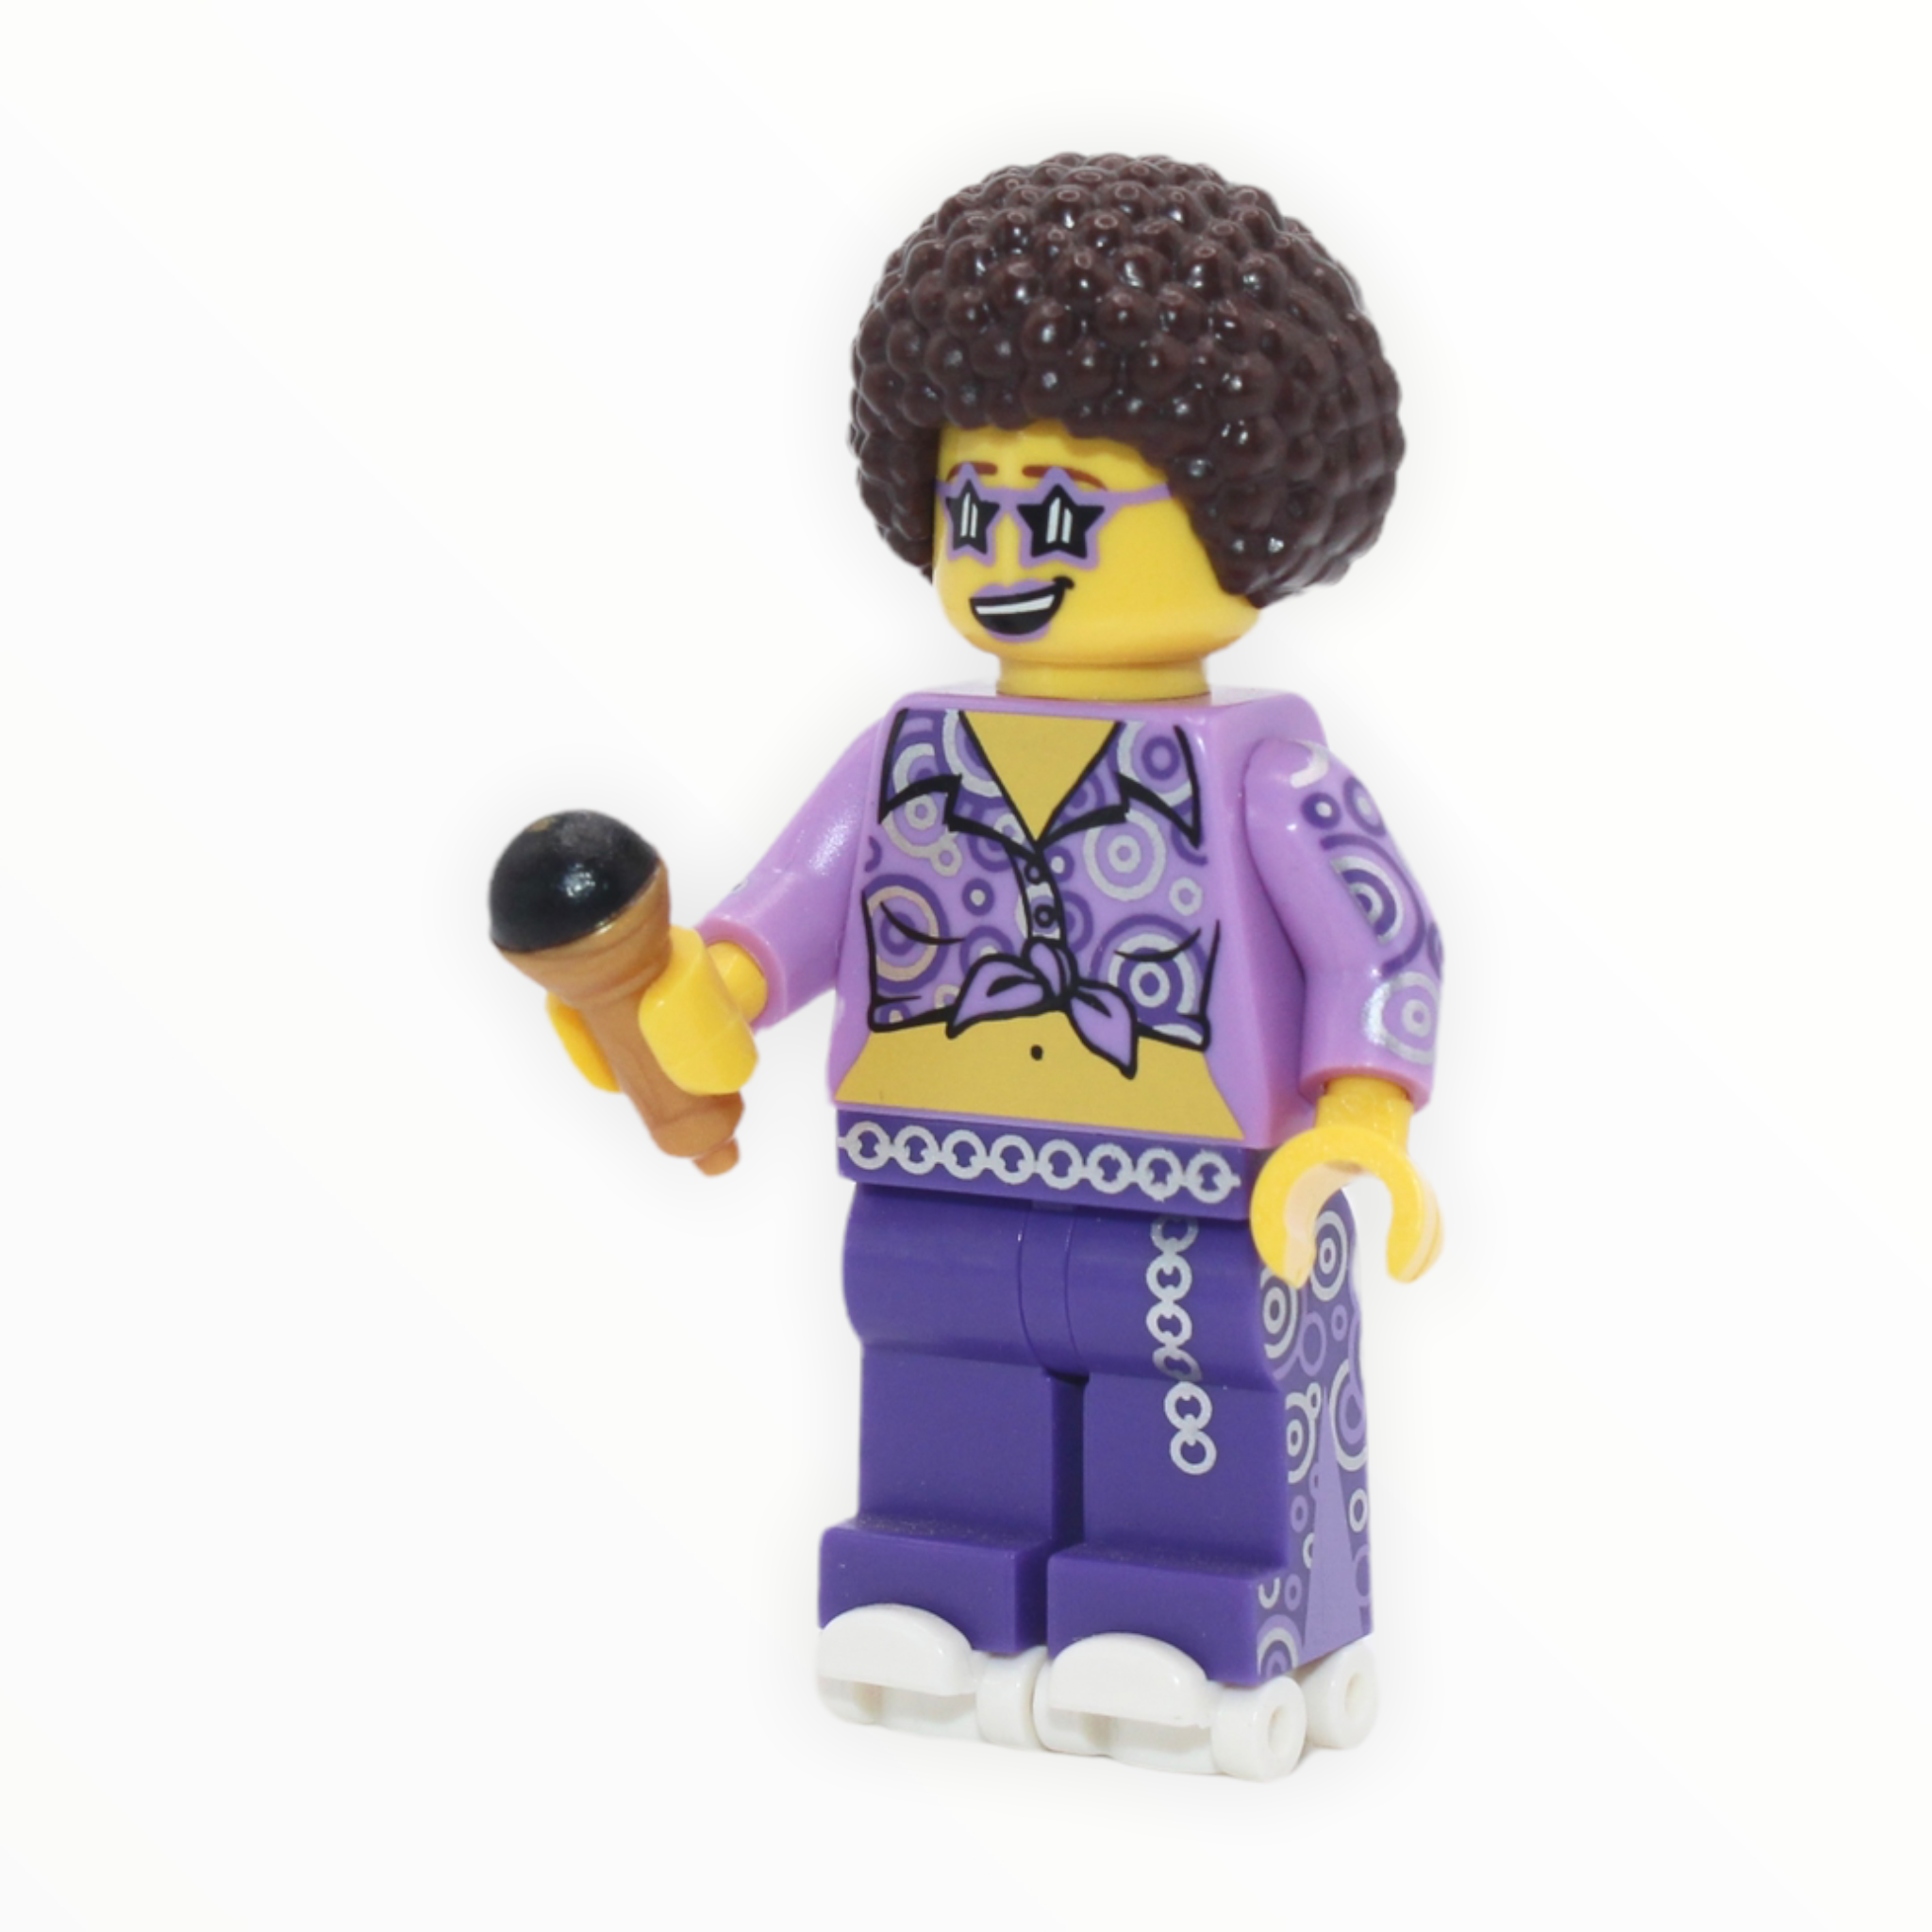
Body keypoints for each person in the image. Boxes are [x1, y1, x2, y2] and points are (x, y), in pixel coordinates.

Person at [552, 155, 1443, 1778]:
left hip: (1197, 1186)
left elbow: (1374, 931)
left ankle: (1195, 1612)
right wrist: (703, 993)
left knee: (1196, 1378)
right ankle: (936, 1588)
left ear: (1243, 516)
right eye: (974, 507)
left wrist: (1364, 1113)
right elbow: (789, 910)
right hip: (932, 1166)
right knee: (939, 1377)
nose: (1009, 550)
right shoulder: (911, 751)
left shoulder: (1263, 770)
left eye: (1069, 510)